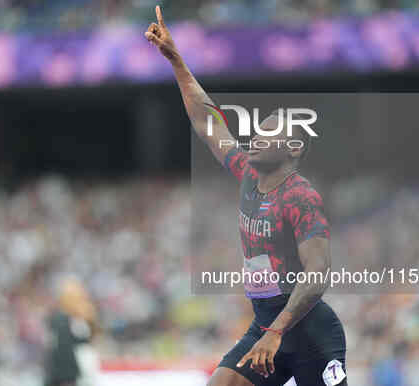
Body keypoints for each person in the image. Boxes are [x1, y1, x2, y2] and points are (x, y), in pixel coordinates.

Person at [145, 6, 347, 386]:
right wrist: (176, 60)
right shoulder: (247, 174)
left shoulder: (300, 197)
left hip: (310, 336)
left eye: (267, 133)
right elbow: (207, 122)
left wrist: (277, 331)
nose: (255, 136)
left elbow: (318, 275)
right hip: (265, 325)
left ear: (293, 149)